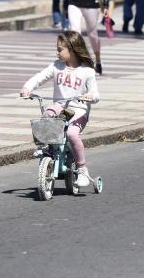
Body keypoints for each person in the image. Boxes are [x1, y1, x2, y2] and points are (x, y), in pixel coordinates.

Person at [20, 30, 100, 187]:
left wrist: (90, 96)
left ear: (72, 49)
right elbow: (39, 77)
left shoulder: (87, 72)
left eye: (59, 49)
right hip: (59, 106)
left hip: (78, 110)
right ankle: (44, 148)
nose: (56, 52)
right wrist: (27, 88)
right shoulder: (56, 66)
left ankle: (82, 168)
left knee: (71, 133)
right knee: (46, 117)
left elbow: (96, 94)